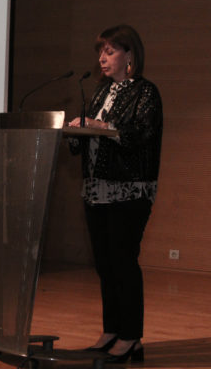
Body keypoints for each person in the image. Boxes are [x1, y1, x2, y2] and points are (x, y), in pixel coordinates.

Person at [67, 24, 163, 364]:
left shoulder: (145, 92)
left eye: (109, 51)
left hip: (130, 190)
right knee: (105, 264)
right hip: (97, 188)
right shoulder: (100, 91)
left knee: (123, 262)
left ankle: (131, 336)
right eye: (100, 52)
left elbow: (139, 136)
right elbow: (88, 141)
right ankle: (112, 330)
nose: (102, 58)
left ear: (129, 55)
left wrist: (101, 126)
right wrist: (76, 131)